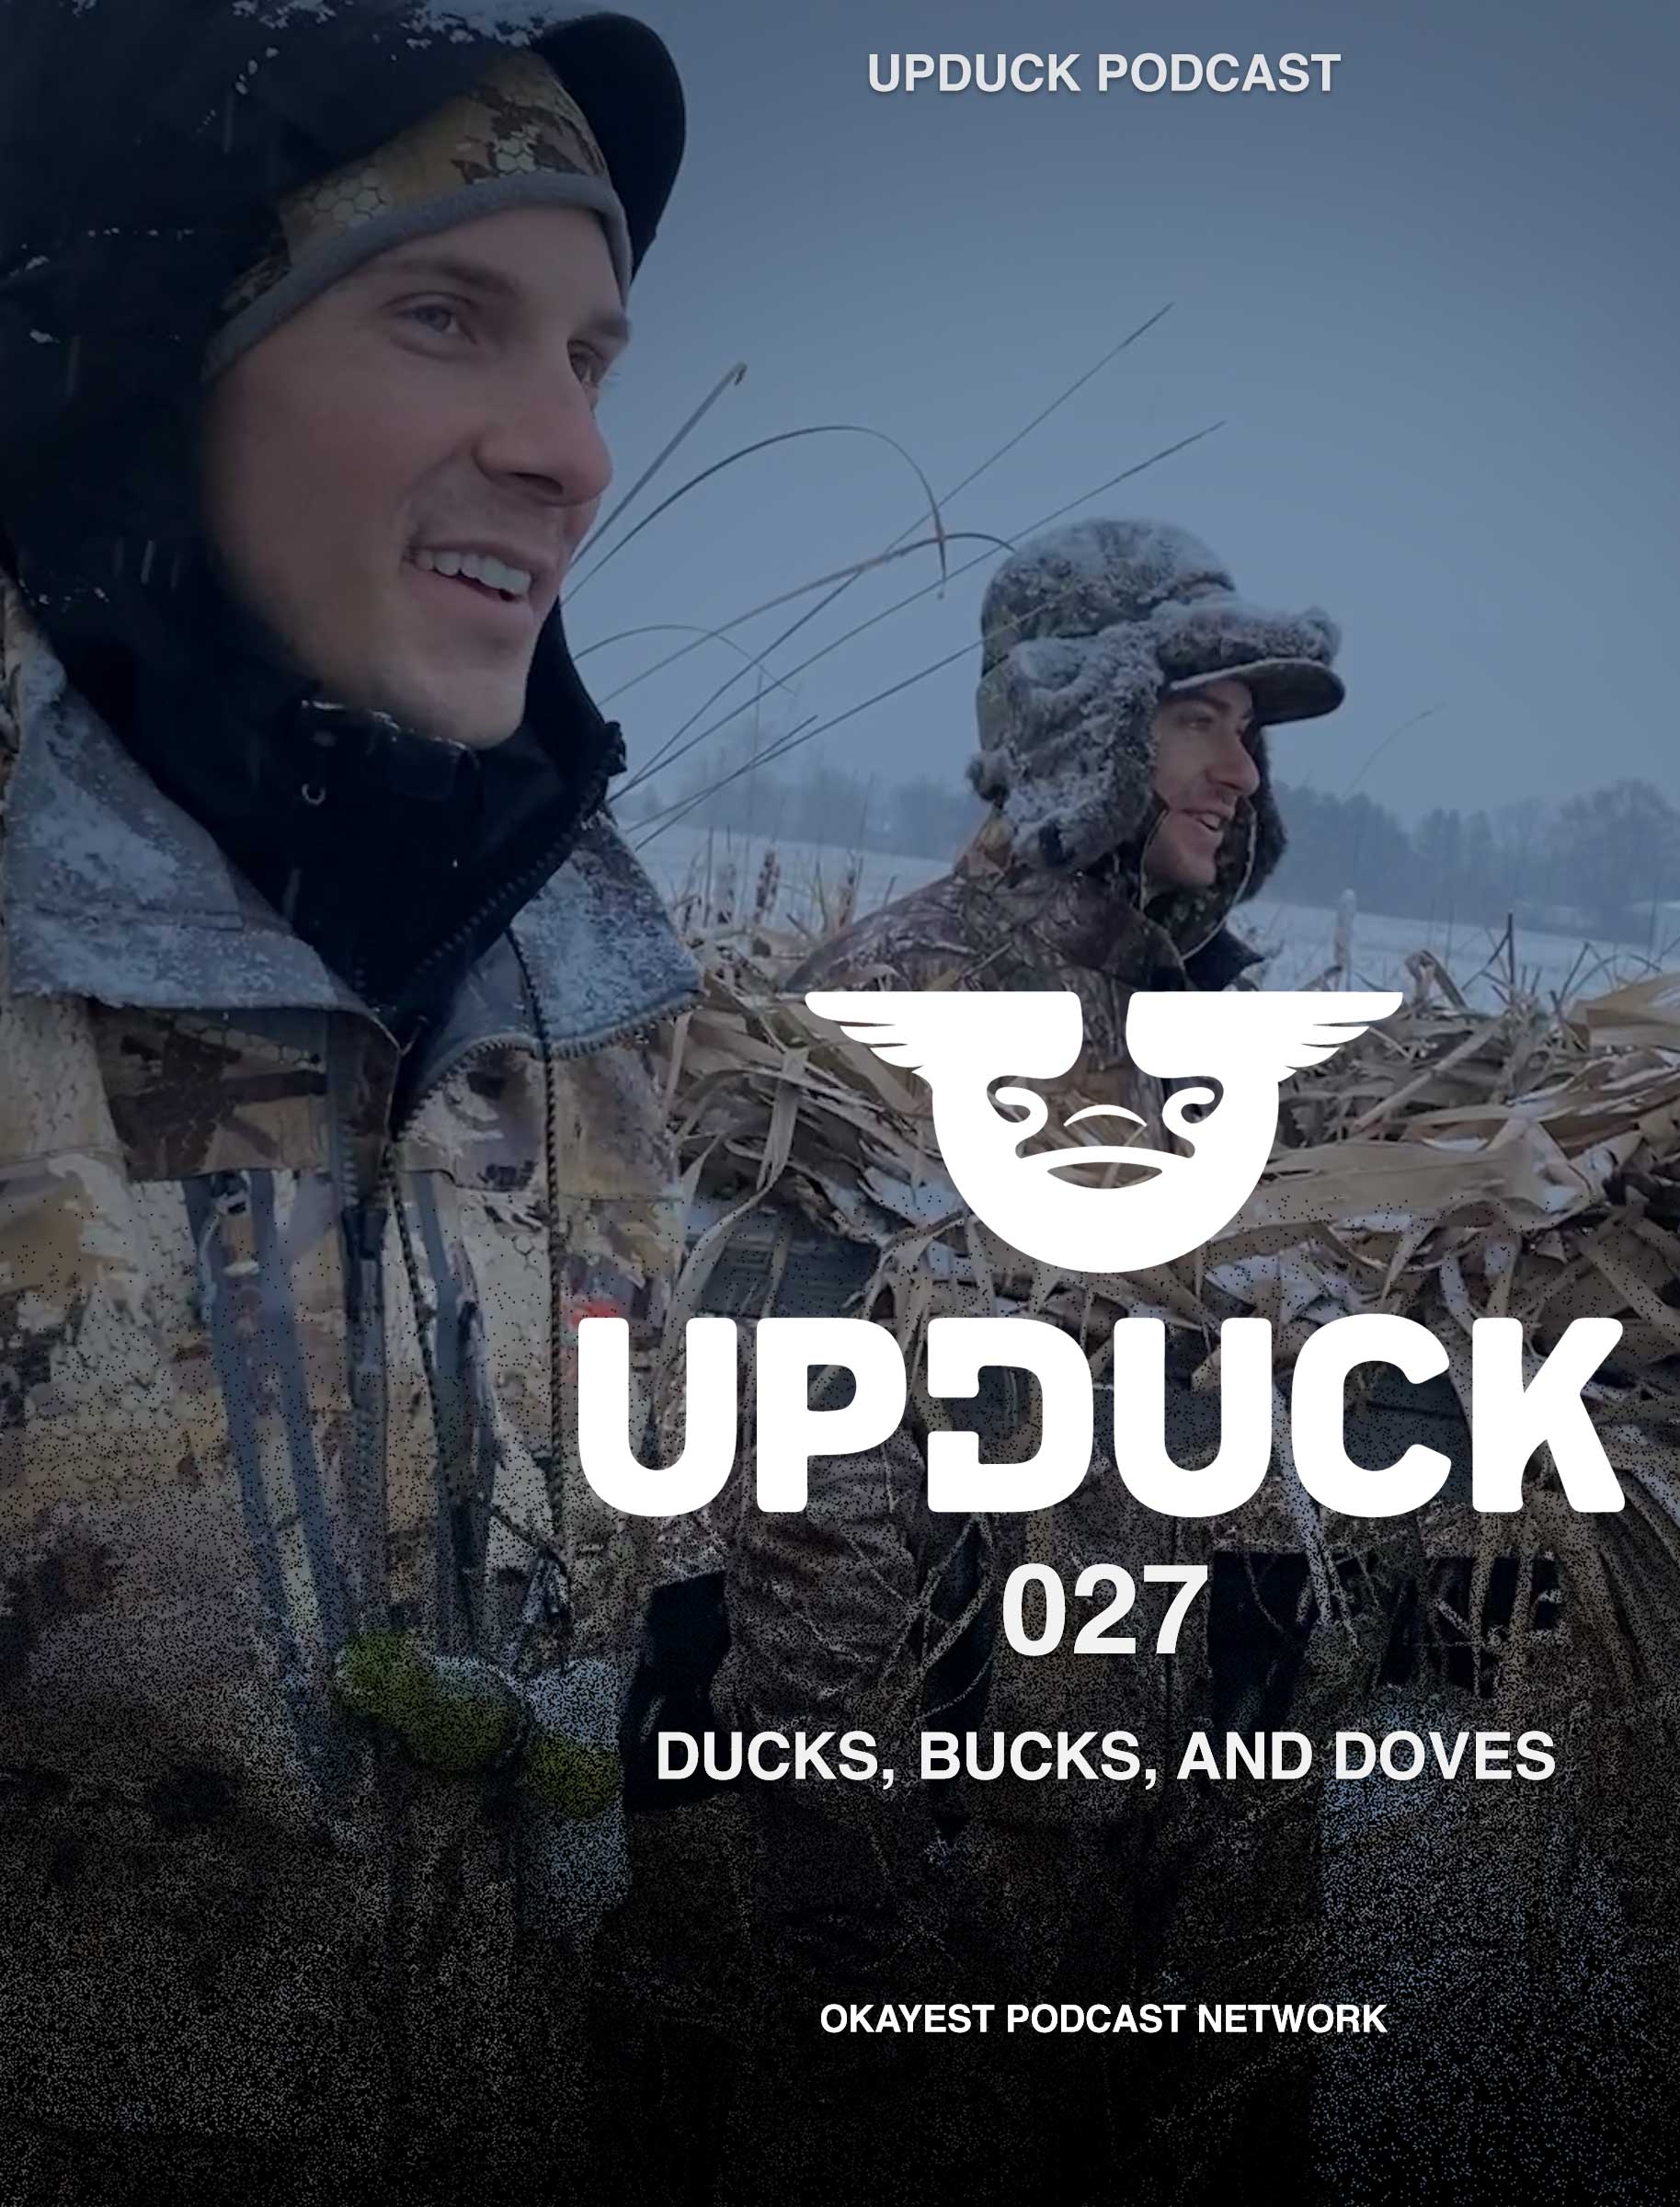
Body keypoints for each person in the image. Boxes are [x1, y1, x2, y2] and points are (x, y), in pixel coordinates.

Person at [0, 3, 696, 2198]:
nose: (571, 450)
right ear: (146, 359)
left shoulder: (578, 1008)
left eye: (590, 357)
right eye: (442, 315)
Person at [688, 519, 1371, 2201]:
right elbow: (806, 1486)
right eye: (1199, 718)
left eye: (1249, 731)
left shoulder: (1201, 1023)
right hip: (981, 1867)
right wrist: (856, 1919)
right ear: (1087, 725)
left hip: (1190, 1842)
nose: (1241, 770)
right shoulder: (901, 1010)